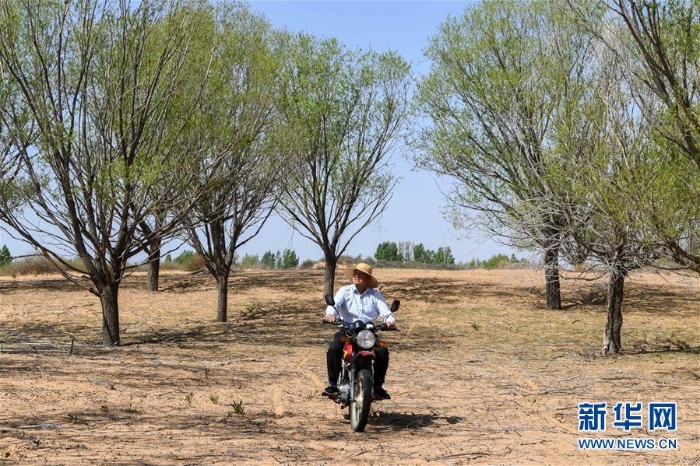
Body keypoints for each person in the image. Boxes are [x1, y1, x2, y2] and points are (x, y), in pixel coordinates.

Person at [322, 263, 396, 400]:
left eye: (360, 274)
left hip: (368, 333)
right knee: (334, 347)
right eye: (355, 273)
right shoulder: (345, 291)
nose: (356, 275)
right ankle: (332, 384)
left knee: (382, 351)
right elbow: (334, 306)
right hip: (347, 331)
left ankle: (378, 386)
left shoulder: (375, 295)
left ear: (367, 278)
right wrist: (331, 315)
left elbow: (385, 312)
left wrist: (390, 321)